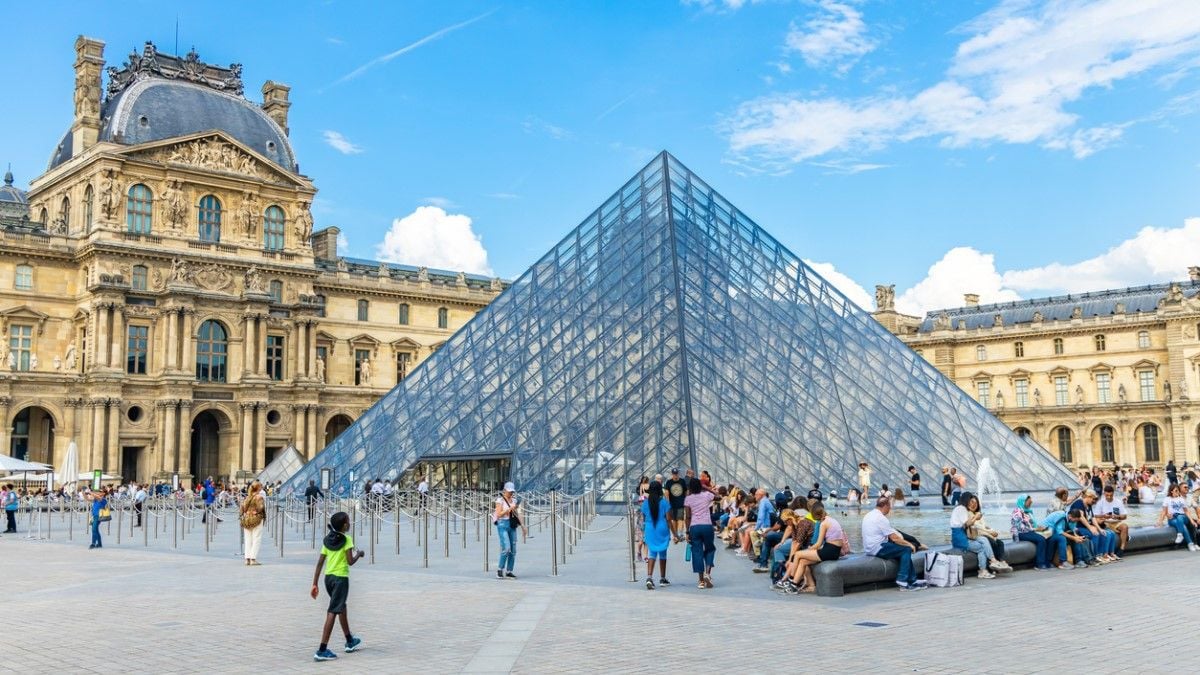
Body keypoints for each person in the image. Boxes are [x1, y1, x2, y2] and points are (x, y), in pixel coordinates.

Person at [310, 511, 364, 661]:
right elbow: (350, 561)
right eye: (348, 521)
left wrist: (314, 583)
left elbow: (320, 562)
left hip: (328, 579)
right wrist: (359, 554)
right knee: (333, 610)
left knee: (341, 607)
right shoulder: (347, 539)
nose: (350, 523)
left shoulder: (327, 540)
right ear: (345, 525)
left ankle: (349, 640)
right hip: (341, 579)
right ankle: (322, 649)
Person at [781, 500, 846, 594]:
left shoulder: (824, 524)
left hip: (829, 551)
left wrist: (808, 550)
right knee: (803, 561)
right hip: (834, 551)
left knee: (798, 554)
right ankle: (795, 585)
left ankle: (791, 580)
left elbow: (818, 544)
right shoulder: (831, 520)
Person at [862, 497, 923, 591]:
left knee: (901, 550)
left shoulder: (869, 515)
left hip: (869, 547)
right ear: (885, 506)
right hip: (878, 547)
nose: (890, 509)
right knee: (906, 549)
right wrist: (910, 544)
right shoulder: (881, 518)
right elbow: (894, 538)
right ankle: (902, 580)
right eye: (889, 506)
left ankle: (912, 579)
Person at [949, 492, 1010, 579]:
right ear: (966, 500)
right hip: (961, 540)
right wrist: (976, 517)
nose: (971, 503)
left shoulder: (961, 509)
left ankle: (993, 561)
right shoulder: (961, 509)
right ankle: (983, 570)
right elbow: (968, 523)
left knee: (983, 539)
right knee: (981, 548)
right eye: (970, 501)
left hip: (964, 537)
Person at [683, 477, 716, 589]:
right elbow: (718, 496)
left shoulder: (688, 499)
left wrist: (687, 531)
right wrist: (706, 488)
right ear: (700, 486)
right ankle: (708, 573)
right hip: (707, 525)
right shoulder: (707, 495)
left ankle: (701, 581)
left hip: (694, 526)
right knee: (710, 549)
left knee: (697, 552)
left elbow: (687, 516)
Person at [1069, 490, 1118, 563]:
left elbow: (1092, 518)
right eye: (1093, 499)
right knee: (1095, 534)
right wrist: (1090, 528)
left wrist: (1099, 528)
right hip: (1079, 527)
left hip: (1086, 527)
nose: (1094, 501)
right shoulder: (1079, 503)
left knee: (1105, 533)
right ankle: (1096, 556)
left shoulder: (1089, 505)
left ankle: (1104, 554)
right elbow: (1081, 517)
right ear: (1088, 497)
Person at [641, 481, 671, 589]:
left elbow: (643, 519)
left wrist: (643, 532)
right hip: (662, 528)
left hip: (650, 528)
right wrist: (675, 533)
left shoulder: (645, 504)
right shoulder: (664, 503)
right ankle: (662, 578)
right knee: (663, 553)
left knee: (652, 553)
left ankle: (649, 577)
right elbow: (668, 519)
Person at [1011, 495, 1054, 570]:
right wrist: (1035, 529)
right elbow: (1020, 527)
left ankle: (1047, 561)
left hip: (1029, 531)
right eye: (1029, 502)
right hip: (1020, 533)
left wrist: (1040, 528)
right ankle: (1039, 564)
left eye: (1031, 502)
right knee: (1041, 539)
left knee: (1049, 537)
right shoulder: (1017, 511)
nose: (1030, 503)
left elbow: (1032, 524)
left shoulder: (1028, 511)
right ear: (1023, 502)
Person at [494, 482, 526, 578]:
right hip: (502, 524)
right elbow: (498, 514)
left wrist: (523, 525)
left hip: (512, 525)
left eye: (512, 491)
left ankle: (509, 571)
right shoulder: (500, 501)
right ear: (505, 490)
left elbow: (517, 514)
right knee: (506, 548)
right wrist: (509, 509)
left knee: (513, 549)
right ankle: (500, 569)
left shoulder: (514, 500)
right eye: (509, 491)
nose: (511, 493)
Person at [1157, 484, 1199, 551]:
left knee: (1180, 517)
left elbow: (1186, 511)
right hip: (1172, 519)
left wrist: (1192, 521)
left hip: (1183, 517)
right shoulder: (1167, 499)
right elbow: (1164, 511)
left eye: (1178, 491)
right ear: (1171, 491)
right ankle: (1190, 544)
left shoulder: (1181, 499)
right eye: (1176, 490)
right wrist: (1160, 521)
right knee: (1183, 526)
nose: (1177, 492)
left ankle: (1180, 535)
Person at [1094, 485, 1130, 557]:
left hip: (1116, 522)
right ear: (1104, 494)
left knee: (1125, 526)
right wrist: (1104, 516)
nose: (1109, 497)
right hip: (1105, 522)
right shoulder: (1100, 502)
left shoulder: (1118, 502)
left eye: (1111, 495)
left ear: (1113, 493)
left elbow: (1125, 516)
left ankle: (1122, 549)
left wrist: (1118, 516)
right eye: (1107, 495)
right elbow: (1095, 516)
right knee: (1099, 522)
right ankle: (1125, 537)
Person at [241, 481, 267, 566]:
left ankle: (247, 559)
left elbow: (242, 508)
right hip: (256, 519)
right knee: (256, 538)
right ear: (258, 488)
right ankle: (253, 559)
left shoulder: (248, 497)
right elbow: (260, 508)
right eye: (261, 487)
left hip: (247, 520)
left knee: (248, 539)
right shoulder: (259, 497)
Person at [663, 468, 687, 543]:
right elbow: (667, 493)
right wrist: (668, 503)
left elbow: (686, 491)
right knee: (674, 520)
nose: (675, 475)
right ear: (672, 474)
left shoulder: (682, 481)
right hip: (672, 504)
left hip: (681, 503)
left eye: (676, 474)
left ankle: (679, 533)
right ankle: (675, 535)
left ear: (678, 474)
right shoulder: (669, 482)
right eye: (674, 474)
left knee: (680, 519)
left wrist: (686, 501)